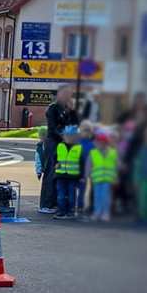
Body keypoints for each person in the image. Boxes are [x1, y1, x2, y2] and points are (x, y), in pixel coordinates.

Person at [40, 84, 80, 213]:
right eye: (65, 93)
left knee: (61, 173)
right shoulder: (53, 108)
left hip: (65, 143)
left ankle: (57, 202)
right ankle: (46, 204)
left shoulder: (67, 110)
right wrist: (63, 138)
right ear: (58, 94)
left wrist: (73, 111)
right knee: (51, 172)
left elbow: (75, 124)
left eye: (69, 93)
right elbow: (52, 128)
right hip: (54, 142)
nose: (67, 96)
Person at [87, 130, 118, 222]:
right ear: (97, 143)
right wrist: (86, 175)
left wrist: (117, 177)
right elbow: (88, 165)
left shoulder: (112, 153)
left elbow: (116, 165)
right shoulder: (93, 153)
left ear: (107, 143)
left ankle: (105, 212)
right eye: (100, 143)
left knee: (105, 196)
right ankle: (97, 212)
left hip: (107, 179)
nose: (102, 145)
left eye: (104, 143)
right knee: (97, 196)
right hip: (96, 179)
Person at [53, 125, 82, 220]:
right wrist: (55, 163)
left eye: (71, 136)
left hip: (73, 176)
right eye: (66, 135)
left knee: (71, 195)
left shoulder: (78, 148)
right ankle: (61, 211)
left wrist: (82, 175)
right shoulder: (60, 146)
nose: (68, 137)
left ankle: (70, 211)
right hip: (61, 175)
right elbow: (54, 157)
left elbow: (82, 162)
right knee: (61, 195)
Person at [76, 120, 96, 218]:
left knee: (84, 188)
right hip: (78, 168)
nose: (87, 133)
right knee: (76, 187)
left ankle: (82, 205)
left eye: (89, 131)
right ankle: (76, 204)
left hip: (89, 168)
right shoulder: (78, 142)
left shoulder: (93, 144)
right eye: (85, 131)